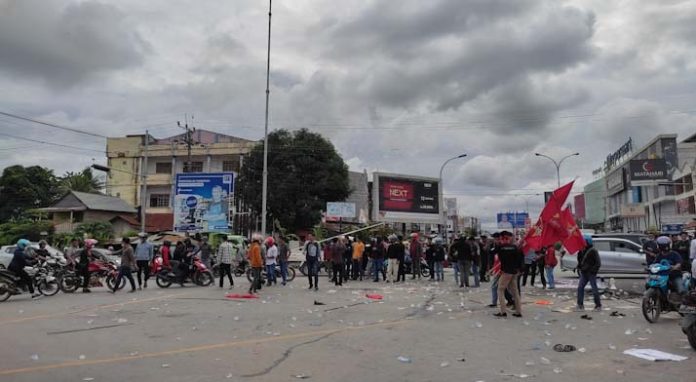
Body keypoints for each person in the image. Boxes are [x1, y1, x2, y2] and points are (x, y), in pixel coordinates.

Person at [494, 231, 523, 318]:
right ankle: (518, 311)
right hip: (514, 272)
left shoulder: (500, 247)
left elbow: (492, 252)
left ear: (502, 238)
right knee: (515, 292)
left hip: (506, 271)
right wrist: (519, 269)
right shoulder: (515, 247)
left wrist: (498, 244)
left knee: (500, 290)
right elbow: (520, 259)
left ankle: (503, 312)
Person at [576, 235, 602, 312]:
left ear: (588, 242)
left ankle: (598, 306)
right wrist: (579, 265)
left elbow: (598, 263)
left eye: (584, 241)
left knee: (594, 289)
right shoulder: (582, 250)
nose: (582, 242)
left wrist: (592, 271)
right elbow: (581, 261)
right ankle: (580, 305)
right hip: (584, 273)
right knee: (580, 288)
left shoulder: (593, 251)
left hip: (591, 273)